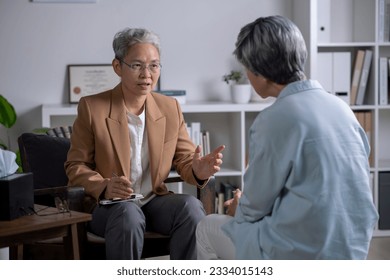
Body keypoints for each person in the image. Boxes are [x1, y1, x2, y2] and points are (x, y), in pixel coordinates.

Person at [196, 15, 379, 260]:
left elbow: (252, 209)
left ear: (259, 71)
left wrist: (240, 204)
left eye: (246, 68)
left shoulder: (273, 119)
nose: (247, 76)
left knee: (206, 227)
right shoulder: (342, 108)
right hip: (352, 249)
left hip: (299, 252)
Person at [65, 27, 225, 260]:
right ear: (118, 67)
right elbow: (75, 166)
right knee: (128, 213)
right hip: (108, 207)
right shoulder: (92, 107)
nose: (146, 74)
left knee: (190, 208)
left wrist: (197, 170)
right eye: (137, 65)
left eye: (154, 65)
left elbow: (184, 158)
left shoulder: (170, 107)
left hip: (153, 202)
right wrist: (104, 186)